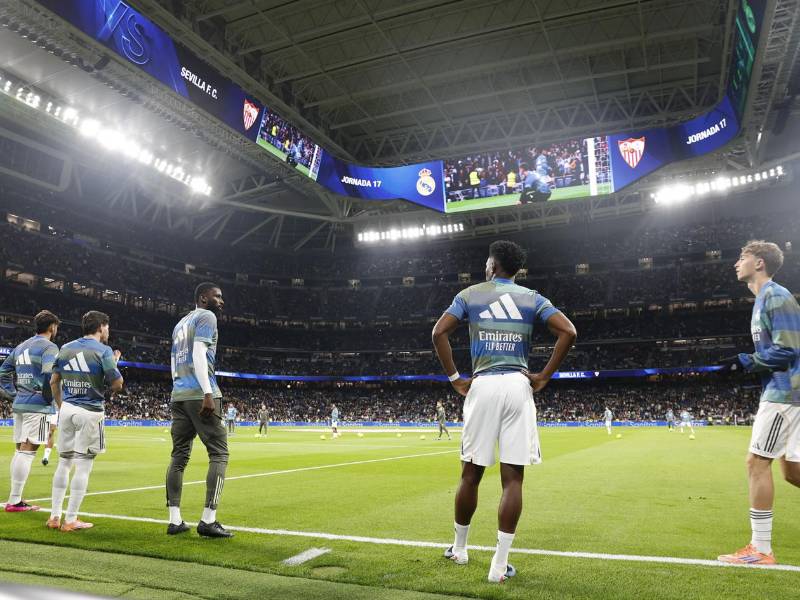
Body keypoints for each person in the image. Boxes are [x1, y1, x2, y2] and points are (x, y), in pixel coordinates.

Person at [432, 240, 576, 583]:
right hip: (517, 385)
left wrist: (455, 378)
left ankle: (460, 549)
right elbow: (568, 331)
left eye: (487, 262)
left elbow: (439, 333)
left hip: (482, 385)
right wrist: (543, 376)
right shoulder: (532, 298)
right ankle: (498, 566)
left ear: (492, 266)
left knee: (470, 474)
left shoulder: (470, 295)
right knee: (513, 480)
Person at [717, 241, 800, 566]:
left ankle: (761, 549)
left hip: (784, 392)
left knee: (756, 462)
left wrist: (744, 362)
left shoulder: (776, 296)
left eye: (743, 257)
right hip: (788, 391)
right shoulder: (763, 299)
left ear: (760, 262)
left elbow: (789, 349)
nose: (737, 263)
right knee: (793, 471)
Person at [165, 282, 232, 538]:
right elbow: (198, 352)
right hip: (200, 393)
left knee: (178, 456)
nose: (221, 301)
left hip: (179, 394)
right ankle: (208, 519)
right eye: (218, 296)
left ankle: (175, 520)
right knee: (219, 453)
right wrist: (206, 392)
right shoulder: (207, 316)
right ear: (204, 298)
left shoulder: (180, 324)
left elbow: (174, 359)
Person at [48, 311, 123, 531]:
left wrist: (62, 406)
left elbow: (54, 381)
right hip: (90, 411)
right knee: (83, 466)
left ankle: (54, 517)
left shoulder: (66, 348)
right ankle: (70, 520)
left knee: (64, 462)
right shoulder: (104, 350)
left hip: (68, 410)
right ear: (101, 326)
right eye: (107, 327)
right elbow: (117, 384)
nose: (108, 331)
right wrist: (114, 363)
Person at [0, 310, 60, 512]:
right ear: (52, 327)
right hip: (38, 406)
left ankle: (14, 499)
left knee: (20, 451)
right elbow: (48, 373)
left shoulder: (21, 346)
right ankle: (14, 501)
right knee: (28, 452)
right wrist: (48, 397)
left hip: (20, 404)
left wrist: (11, 393)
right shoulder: (50, 347)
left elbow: (3, 372)